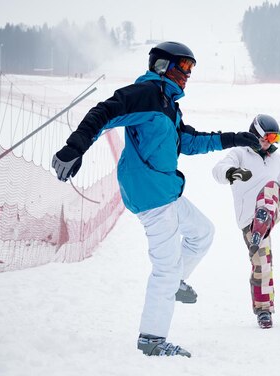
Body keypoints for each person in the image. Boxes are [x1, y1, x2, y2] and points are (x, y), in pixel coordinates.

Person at [51, 41, 260, 357]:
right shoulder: (147, 94)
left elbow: (188, 141)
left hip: (165, 191)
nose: (188, 74)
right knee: (165, 267)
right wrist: (75, 146)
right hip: (151, 194)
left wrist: (233, 138)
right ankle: (152, 338)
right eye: (184, 66)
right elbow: (105, 111)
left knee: (202, 233)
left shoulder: (167, 105)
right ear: (163, 65)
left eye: (192, 68)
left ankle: (176, 282)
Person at [212, 114, 280, 329]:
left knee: (272, 186)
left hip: (274, 207)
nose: (271, 143)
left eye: (275, 139)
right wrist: (232, 172)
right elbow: (218, 170)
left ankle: (262, 222)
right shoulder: (239, 154)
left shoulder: (275, 160)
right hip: (249, 222)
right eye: (268, 137)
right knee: (262, 264)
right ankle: (264, 311)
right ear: (255, 134)